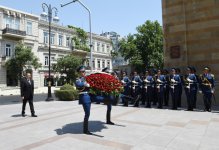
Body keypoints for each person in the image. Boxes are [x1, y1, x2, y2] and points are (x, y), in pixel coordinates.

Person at [75, 66, 92, 134]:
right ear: (79, 72)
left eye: (84, 71)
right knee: (87, 113)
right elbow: (78, 84)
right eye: (82, 71)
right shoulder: (78, 79)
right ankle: (85, 129)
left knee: (88, 113)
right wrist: (85, 83)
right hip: (84, 96)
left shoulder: (87, 78)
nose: (84, 72)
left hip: (89, 96)